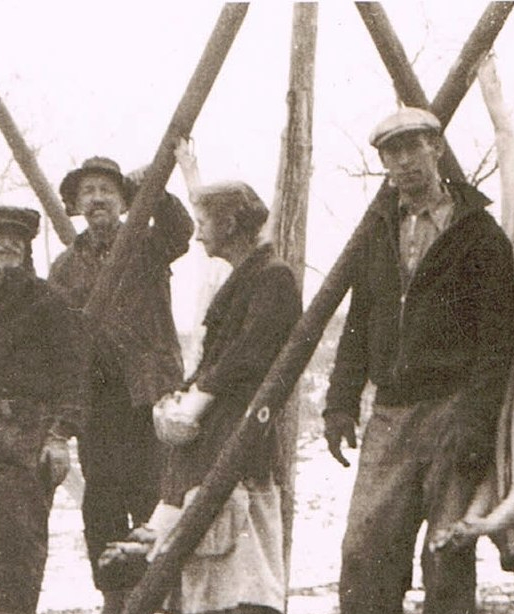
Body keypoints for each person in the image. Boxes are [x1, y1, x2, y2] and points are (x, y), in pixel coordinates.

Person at [322, 107, 514, 614]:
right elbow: (359, 324)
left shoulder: (480, 236)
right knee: (365, 552)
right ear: (384, 161)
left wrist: (475, 422)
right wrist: (340, 403)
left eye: (414, 147)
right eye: (393, 151)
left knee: (447, 556)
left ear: (437, 148)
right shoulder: (378, 233)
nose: (405, 161)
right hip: (390, 416)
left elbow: (497, 342)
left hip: (452, 410)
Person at [142, 181, 299, 614]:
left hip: (243, 438)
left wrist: (198, 398)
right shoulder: (244, 279)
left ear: (229, 223)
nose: (196, 235)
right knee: (214, 567)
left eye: (203, 222)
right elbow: (223, 356)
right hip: (219, 438)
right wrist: (187, 390)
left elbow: (248, 355)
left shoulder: (272, 278)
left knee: (245, 570)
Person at [49, 156, 194, 613]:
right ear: (76, 204)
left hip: (150, 398)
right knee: (104, 507)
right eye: (87, 192)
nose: (96, 199)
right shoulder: (64, 268)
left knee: (157, 501)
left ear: (122, 201)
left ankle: (166, 599)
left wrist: (154, 187)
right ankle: (116, 600)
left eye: (106, 191)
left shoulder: (146, 245)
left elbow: (180, 230)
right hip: (100, 408)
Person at [0, 205, 86, 614]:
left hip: (28, 440)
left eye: (16, 240)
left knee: (20, 551)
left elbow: (73, 375)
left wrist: (59, 437)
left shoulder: (50, 303)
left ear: (26, 248)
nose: (6, 246)